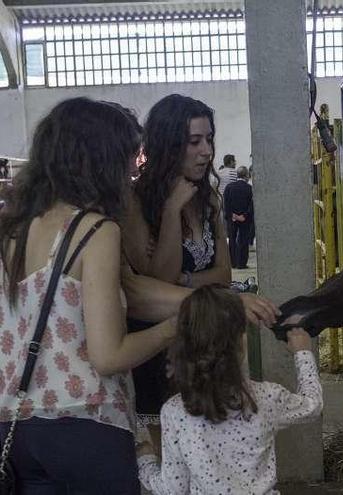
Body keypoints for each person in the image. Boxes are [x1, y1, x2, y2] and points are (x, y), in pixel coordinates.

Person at [0, 97, 177, 493]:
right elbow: (108, 356)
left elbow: (125, 291)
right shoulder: (95, 230)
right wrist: (174, 329)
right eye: (127, 156)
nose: (134, 168)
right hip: (84, 425)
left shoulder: (12, 230)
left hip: (15, 429)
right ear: (98, 160)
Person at [136, 285, 322, 494]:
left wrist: (146, 461)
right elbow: (312, 405)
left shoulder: (175, 412)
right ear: (240, 342)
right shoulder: (267, 397)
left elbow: (173, 489)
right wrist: (303, 353)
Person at [122, 93, 233, 435]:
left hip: (203, 337)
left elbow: (225, 275)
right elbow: (158, 276)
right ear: (169, 144)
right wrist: (171, 210)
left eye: (209, 139)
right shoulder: (136, 201)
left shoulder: (209, 198)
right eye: (194, 141)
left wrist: (185, 278)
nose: (207, 151)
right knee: (162, 443)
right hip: (154, 344)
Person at [224, 166, 255, 269]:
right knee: (243, 240)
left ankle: (233, 262)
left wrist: (232, 215)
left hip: (232, 218)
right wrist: (244, 216)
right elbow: (251, 205)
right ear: (246, 176)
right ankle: (242, 263)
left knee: (232, 239)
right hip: (244, 219)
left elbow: (226, 204)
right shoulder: (249, 188)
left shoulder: (229, 187)